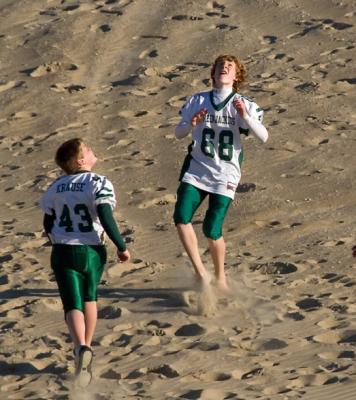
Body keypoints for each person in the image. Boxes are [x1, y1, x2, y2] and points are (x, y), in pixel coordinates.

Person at [173, 54, 269, 293]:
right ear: (213, 73)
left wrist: (245, 117)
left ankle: (220, 276)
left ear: (236, 76)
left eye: (230, 67)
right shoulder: (197, 100)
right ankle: (201, 273)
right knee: (181, 217)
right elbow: (178, 133)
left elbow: (264, 136)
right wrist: (191, 124)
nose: (224, 68)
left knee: (211, 229)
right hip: (196, 168)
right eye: (220, 66)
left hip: (226, 173)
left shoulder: (244, 104)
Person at [39, 138, 130, 387]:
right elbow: (105, 215)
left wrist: (54, 238)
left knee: (72, 304)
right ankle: (86, 347)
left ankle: (80, 348)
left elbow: (48, 222)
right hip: (92, 251)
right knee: (90, 298)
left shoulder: (55, 186)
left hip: (63, 251)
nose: (92, 150)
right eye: (87, 149)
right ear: (81, 160)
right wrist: (121, 247)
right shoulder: (98, 181)